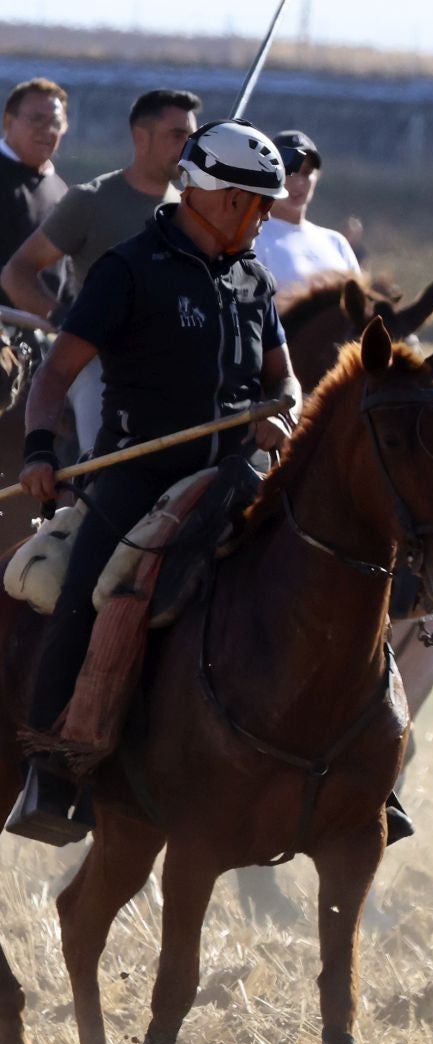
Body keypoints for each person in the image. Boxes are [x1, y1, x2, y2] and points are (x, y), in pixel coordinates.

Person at [5, 120, 298, 845]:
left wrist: (282, 405)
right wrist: (40, 449)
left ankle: (355, 761)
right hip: (139, 471)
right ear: (223, 200)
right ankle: (52, 769)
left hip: (237, 472)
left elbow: (282, 375)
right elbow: (57, 373)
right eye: (260, 204)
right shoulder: (130, 269)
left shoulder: (254, 279)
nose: (267, 218)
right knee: (83, 595)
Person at [2, 88, 199, 458]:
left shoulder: (189, 212)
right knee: (106, 464)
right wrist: (61, 316)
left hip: (170, 366)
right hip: (96, 366)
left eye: (193, 137)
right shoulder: (90, 200)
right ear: (141, 136)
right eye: (178, 136)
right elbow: (17, 273)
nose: (188, 146)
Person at [252, 129, 360, 291]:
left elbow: (359, 305)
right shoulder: (253, 238)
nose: (299, 182)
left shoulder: (336, 242)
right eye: (290, 171)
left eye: (306, 173)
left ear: (317, 177)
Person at [0, 78, 69, 310]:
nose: (48, 130)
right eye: (36, 119)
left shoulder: (60, 190)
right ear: (9, 121)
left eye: (56, 122)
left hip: (44, 334)